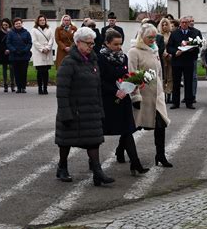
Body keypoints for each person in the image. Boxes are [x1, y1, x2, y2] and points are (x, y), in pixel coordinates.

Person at [55, 27, 114, 186]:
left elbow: (97, 87)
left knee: (94, 141)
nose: (91, 46)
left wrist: (100, 109)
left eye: (92, 43)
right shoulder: (68, 63)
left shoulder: (93, 60)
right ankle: (62, 166)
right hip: (74, 110)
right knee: (65, 141)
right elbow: (62, 91)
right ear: (78, 42)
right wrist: (65, 113)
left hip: (91, 109)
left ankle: (97, 172)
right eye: (88, 43)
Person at [98, 29, 149, 175]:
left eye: (120, 44)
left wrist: (132, 84)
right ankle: (94, 163)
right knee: (99, 133)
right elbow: (99, 80)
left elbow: (126, 75)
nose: (119, 47)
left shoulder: (123, 57)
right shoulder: (100, 58)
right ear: (107, 43)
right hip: (108, 100)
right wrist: (114, 91)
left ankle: (135, 163)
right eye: (115, 44)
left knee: (127, 131)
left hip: (123, 99)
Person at [129, 24, 173, 167]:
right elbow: (132, 74)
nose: (152, 40)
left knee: (161, 125)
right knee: (133, 127)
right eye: (149, 37)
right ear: (141, 36)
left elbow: (158, 72)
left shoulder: (155, 50)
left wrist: (161, 86)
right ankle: (121, 150)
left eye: (154, 37)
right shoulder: (134, 52)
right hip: (143, 94)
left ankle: (160, 155)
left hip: (157, 94)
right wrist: (135, 96)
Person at [166, 16, 198, 109]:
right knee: (176, 82)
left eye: (186, 22)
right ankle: (175, 103)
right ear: (180, 23)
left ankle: (189, 102)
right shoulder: (174, 33)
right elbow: (169, 47)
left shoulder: (194, 33)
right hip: (177, 61)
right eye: (183, 22)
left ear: (189, 23)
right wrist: (175, 52)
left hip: (188, 61)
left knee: (189, 82)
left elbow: (197, 47)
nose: (184, 24)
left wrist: (192, 49)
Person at [7, 18, 32, 94]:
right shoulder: (11, 33)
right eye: (16, 24)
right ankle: (18, 87)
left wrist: (25, 50)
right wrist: (14, 50)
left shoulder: (26, 33)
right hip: (14, 56)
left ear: (22, 23)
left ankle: (23, 87)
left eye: (19, 23)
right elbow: (8, 43)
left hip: (24, 56)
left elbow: (29, 43)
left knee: (24, 72)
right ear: (14, 25)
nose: (18, 25)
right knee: (16, 73)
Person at [31, 14, 54, 95]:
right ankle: (40, 88)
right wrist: (42, 49)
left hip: (47, 52)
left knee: (46, 71)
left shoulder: (49, 29)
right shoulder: (34, 30)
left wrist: (48, 48)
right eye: (40, 20)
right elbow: (34, 41)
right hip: (39, 52)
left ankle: (45, 88)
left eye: (43, 20)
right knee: (40, 71)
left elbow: (51, 39)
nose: (42, 21)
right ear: (38, 21)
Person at [0, 18, 15, 92]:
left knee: (11, 68)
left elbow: (14, 42)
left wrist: (10, 49)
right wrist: (5, 50)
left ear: (9, 24)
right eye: (3, 25)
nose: (5, 26)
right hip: (3, 52)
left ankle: (12, 85)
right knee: (4, 69)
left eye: (6, 25)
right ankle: (5, 85)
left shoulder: (12, 32)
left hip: (11, 52)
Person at [158, 18, 173, 104]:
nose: (164, 26)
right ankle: (162, 95)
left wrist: (170, 54)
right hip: (162, 58)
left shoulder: (172, 35)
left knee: (170, 76)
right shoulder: (159, 35)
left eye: (166, 24)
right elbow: (159, 47)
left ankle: (169, 94)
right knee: (163, 77)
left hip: (170, 57)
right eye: (162, 25)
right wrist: (164, 53)